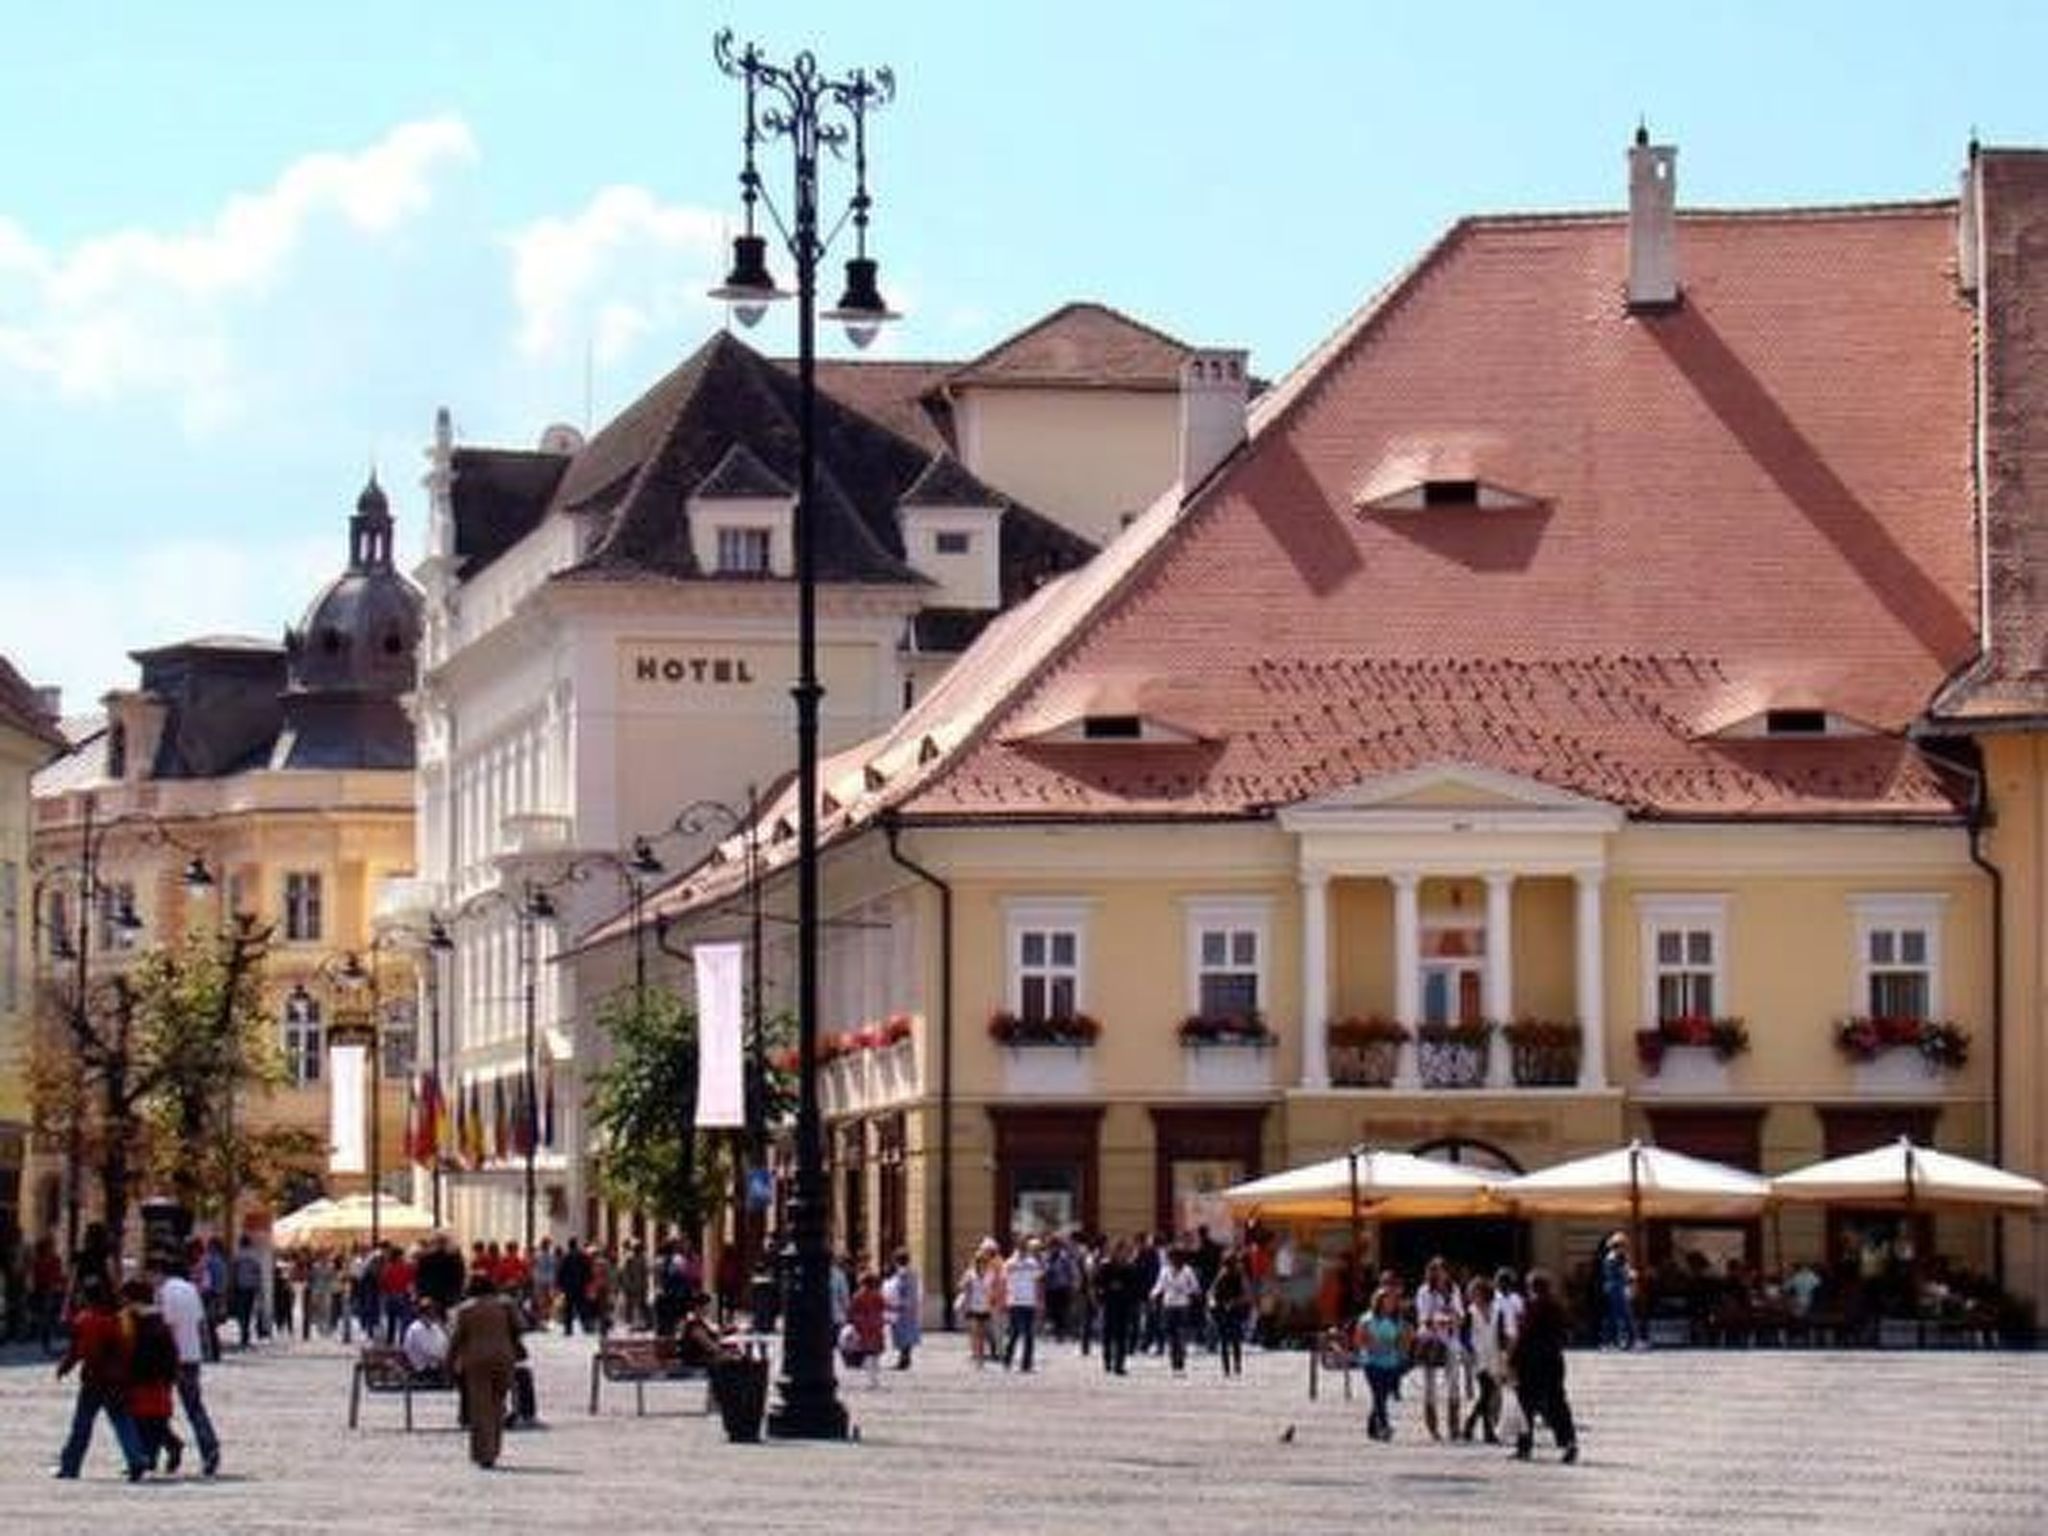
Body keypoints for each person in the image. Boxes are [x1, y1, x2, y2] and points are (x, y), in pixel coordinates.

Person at [53, 1275, 148, 1481]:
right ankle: (136, 1459)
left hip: (94, 1379)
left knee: (82, 1424)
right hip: (116, 1379)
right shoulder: (116, 1318)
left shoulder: (85, 1320)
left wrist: (64, 1367)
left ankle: (70, 1465)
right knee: (122, 1420)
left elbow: (78, 1350)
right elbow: (127, 1347)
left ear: (86, 1296)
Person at [152, 1251, 222, 1477]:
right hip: (192, 1356)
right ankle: (209, 1449)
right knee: (194, 1407)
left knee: (155, 1407)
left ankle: (158, 1450)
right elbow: (201, 1324)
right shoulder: (191, 1289)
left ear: (160, 1272)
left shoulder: (164, 1292)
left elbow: (166, 1326)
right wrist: (205, 1351)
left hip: (171, 1357)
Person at [448, 1271, 524, 1469]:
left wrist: (449, 1362)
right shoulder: (506, 1304)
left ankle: (484, 1452)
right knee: (497, 1404)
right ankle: (494, 1448)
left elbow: (456, 1338)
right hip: (503, 1358)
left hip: (477, 1360)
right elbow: (521, 1326)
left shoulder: (465, 1309)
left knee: (480, 1407)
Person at [1509, 1268, 1579, 1464]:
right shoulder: (1557, 1307)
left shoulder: (1531, 1307)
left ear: (1531, 1288)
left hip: (1531, 1362)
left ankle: (1524, 1447)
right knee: (1557, 1403)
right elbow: (1568, 1332)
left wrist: (1512, 1360)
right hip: (1554, 1360)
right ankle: (1569, 1442)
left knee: (1525, 1405)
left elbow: (1523, 1335)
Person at [122, 1278, 184, 1475]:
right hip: (153, 1377)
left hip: (149, 1377)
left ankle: (150, 1456)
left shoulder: (146, 1321)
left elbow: (148, 1352)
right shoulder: (151, 1319)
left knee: (147, 1419)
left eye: (126, 1299)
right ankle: (157, 1452)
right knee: (152, 1419)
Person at [1413, 1255, 1466, 1441]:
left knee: (1454, 1383)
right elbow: (1423, 1317)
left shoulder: (1454, 1290)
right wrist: (1441, 1319)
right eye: (1436, 1270)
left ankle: (1454, 1425)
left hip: (1451, 1341)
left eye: (1443, 1270)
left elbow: (1460, 1315)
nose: (1440, 1274)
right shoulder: (1424, 1291)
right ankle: (1433, 1426)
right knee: (1430, 1385)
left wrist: (1453, 1317)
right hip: (1431, 1341)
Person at [1357, 1283, 1410, 1442]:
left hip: (1391, 1362)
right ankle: (1385, 1426)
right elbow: (1360, 1339)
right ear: (1378, 1302)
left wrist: (1401, 1350)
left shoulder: (1398, 1321)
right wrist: (1374, 1345)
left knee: (1381, 1397)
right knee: (1378, 1394)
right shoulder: (1367, 1319)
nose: (1390, 1303)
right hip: (1372, 1362)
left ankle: (1372, 1426)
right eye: (1386, 1300)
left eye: (1392, 1301)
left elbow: (1403, 1340)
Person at [1463, 1275, 1505, 1443]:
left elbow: (1501, 1334)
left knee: (1488, 1394)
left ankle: (1471, 1424)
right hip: (1478, 1357)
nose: (1474, 1296)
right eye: (1472, 1293)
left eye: (1476, 1293)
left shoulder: (1497, 1311)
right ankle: (1486, 1431)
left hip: (1494, 1356)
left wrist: (1504, 1354)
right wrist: (1469, 1351)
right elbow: (1464, 1336)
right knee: (1487, 1392)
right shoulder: (1470, 1312)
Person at [1151, 1247, 1202, 1374]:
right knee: (1171, 1335)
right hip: (1168, 1305)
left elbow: (1195, 1286)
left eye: (1176, 1258)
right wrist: (1153, 1294)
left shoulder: (1187, 1271)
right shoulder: (1165, 1271)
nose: (1174, 1261)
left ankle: (1180, 1361)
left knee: (1181, 1334)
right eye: (1171, 1258)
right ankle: (1174, 1361)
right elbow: (1160, 1285)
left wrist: (1192, 1294)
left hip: (1182, 1305)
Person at [1002, 1238, 1045, 1372]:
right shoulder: (1010, 1263)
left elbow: (1038, 1282)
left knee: (1026, 1334)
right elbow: (1004, 1283)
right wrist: (1004, 1300)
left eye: (1023, 1247)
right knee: (1016, 1333)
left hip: (1027, 1302)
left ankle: (1024, 1363)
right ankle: (1009, 1360)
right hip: (1016, 1301)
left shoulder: (1031, 1263)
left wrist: (1039, 1300)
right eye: (1021, 1246)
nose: (1022, 1249)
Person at [1207, 1251, 1252, 1378]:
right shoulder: (1222, 1276)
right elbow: (1212, 1293)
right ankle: (1228, 1367)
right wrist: (1215, 1304)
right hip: (1223, 1311)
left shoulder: (1239, 1276)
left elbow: (1246, 1295)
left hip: (1233, 1311)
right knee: (1227, 1341)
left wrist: (1233, 1302)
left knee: (1232, 1340)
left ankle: (1235, 1366)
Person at [844, 1270, 887, 1388]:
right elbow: (883, 1306)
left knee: (867, 1351)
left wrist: (852, 1321)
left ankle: (870, 1377)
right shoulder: (877, 1294)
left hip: (863, 1326)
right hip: (876, 1325)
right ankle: (874, 1376)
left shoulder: (858, 1295)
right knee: (875, 1352)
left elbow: (851, 1311)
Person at [882, 1250, 921, 1370]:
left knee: (902, 1334)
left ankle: (904, 1359)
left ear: (897, 1261)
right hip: (911, 1307)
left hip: (901, 1307)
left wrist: (893, 1303)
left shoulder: (901, 1274)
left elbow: (899, 1289)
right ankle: (905, 1358)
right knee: (908, 1333)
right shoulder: (913, 1273)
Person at [957, 1243, 995, 1368]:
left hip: (985, 1306)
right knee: (976, 1332)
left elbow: (993, 1289)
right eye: (979, 1261)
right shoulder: (970, 1273)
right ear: (976, 1262)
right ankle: (978, 1357)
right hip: (973, 1306)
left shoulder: (990, 1274)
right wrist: (966, 1284)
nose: (981, 1263)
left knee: (982, 1334)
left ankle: (980, 1356)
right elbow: (961, 1285)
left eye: (983, 1261)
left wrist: (992, 1300)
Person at [1599, 1232, 1637, 1350]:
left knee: (1619, 1316)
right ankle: (1617, 1341)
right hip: (1616, 1289)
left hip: (1618, 1288)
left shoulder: (1619, 1258)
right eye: (1623, 1246)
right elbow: (1617, 1274)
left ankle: (1618, 1341)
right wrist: (1629, 1275)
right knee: (1621, 1316)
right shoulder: (1612, 1259)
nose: (1625, 1249)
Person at [403, 1300, 450, 1378]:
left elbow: (444, 1343)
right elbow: (427, 1350)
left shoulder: (435, 1327)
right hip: (421, 1370)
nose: (433, 1317)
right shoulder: (415, 1329)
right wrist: (441, 1357)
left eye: (433, 1314)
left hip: (436, 1368)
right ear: (422, 1314)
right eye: (429, 1314)